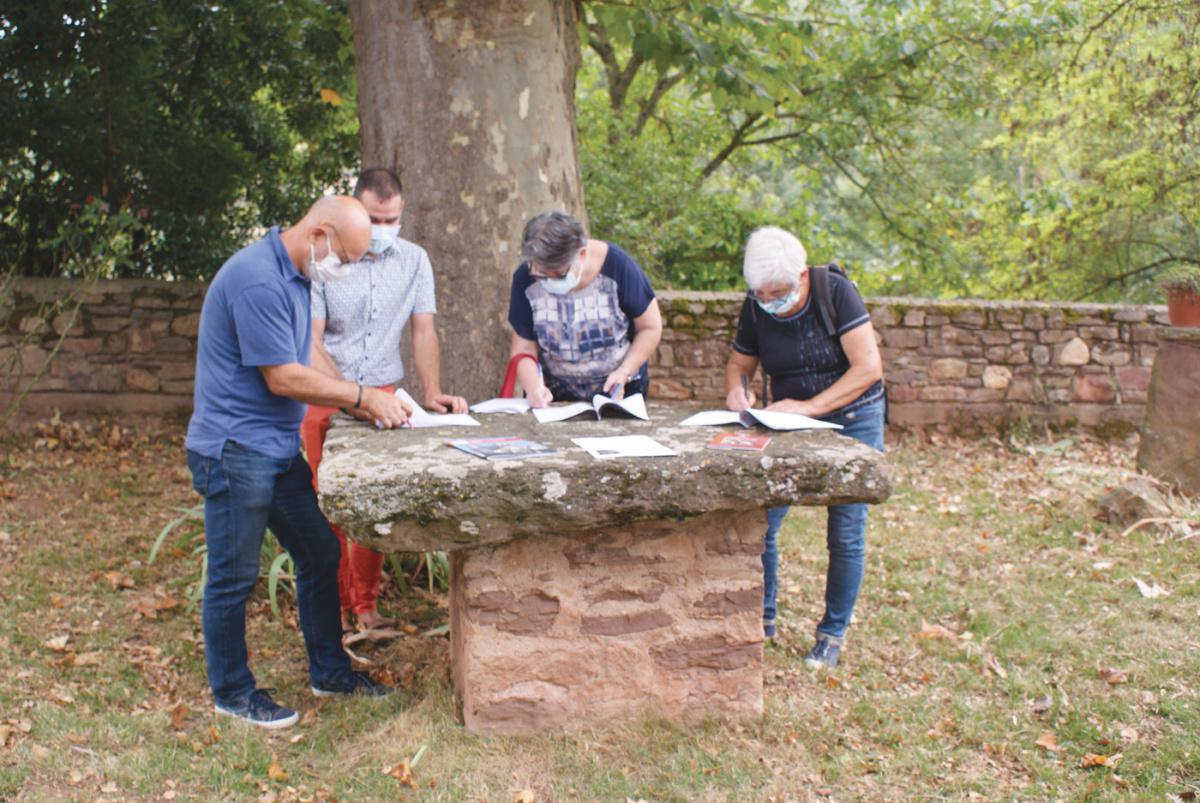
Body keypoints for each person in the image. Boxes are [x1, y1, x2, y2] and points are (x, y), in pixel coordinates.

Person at [185, 196, 412, 728]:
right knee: (232, 579)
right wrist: (359, 395)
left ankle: (329, 674)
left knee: (319, 552)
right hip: (235, 451)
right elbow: (282, 376)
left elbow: (306, 353)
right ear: (319, 235)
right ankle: (233, 693)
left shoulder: (296, 273)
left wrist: (360, 400)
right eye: (348, 257)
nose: (349, 268)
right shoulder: (258, 279)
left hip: (276, 447)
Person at [301, 168, 466, 634]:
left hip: (388, 395)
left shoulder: (415, 260)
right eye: (375, 219)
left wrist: (431, 392)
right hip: (326, 394)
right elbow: (310, 341)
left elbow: (423, 329)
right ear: (355, 212)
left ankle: (366, 607)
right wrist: (352, 399)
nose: (384, 228)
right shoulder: (326, 262)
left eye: (392, 219)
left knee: (375, 506)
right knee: (327, 504)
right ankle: (330, 610)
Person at [723, 226, 885, 669]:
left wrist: (812, 408)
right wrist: (738, 390)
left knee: (846, 532)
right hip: (785, 420)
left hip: (853, 416)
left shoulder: (835, 291)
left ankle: (832, 634)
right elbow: (740, 364)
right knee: (763, 521)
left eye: (779, 293)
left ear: (803, 277)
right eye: (760, 294)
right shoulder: (757, 306)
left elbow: (868, 368)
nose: (770, 302)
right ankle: (762, 618)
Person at [507, 211, 662, 405]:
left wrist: (625, 371)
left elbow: (650, 327)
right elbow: (523, 347)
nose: (549, 281)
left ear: (581, 254)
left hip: (617, 388)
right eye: (541, 274)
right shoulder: (524, 278)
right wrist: (533, 388)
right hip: (553, 394)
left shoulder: (619, 267)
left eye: (558, 273)